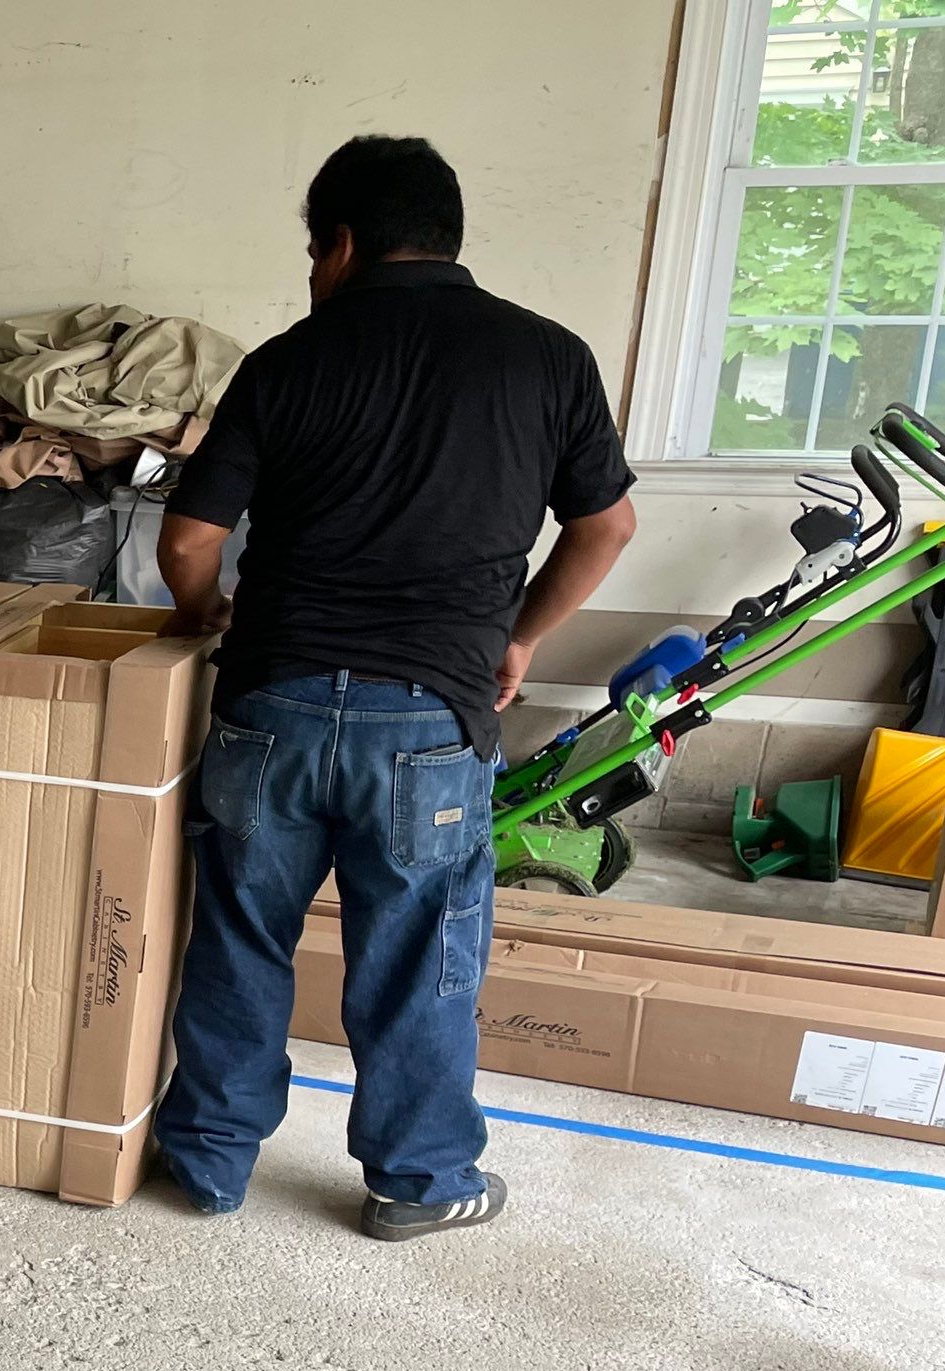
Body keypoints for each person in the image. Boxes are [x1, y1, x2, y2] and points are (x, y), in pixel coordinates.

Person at [154, 136, 638, 1243]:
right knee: (417, 953)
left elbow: (187, 541)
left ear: (342, 242)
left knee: (237, 936)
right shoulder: (546, 357)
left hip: (266, 711)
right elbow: (603, 525)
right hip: (429, 720)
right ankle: (419, 1182)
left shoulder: (287, 359)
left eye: (311, 250)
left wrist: (201, 615)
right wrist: (517, 637)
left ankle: (211, 1161)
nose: (309, 273)